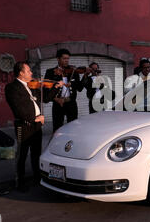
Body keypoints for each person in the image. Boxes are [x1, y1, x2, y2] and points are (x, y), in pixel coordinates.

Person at [5, 61, 63, 191]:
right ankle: (20, 182)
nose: (32, 73)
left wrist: (56, 87)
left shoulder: (33, 86)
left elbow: (46, 98)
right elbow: (17, 108)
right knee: (22, 154)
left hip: (36, 126)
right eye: (29, 71)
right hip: (24, 125)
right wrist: (35, 118)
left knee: (36, 153)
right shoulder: (12, 87)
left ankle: (37, 178)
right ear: (21, 73)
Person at [44, 49, 90, 132]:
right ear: (58, 59)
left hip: (71, 103)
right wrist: (55, 99)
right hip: (58, 103)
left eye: (68, 58)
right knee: (57, 128)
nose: (66, 61)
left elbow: (79, 88)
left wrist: (85, 76)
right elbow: (46, 90)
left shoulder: (73, 71)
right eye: (64, 58)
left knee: (73, 127)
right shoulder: (50, 72)